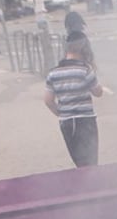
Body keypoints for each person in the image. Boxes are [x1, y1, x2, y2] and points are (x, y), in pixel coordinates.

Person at [44, 32, 104, 167]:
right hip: (85, 121)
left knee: (79, 163)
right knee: (91, 162)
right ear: (84, 49)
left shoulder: (53, 73)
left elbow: (48, 100)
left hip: (66, 124)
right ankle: (93, 186)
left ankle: (84, 185)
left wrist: (63, 113)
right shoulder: (84, 70)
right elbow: (98, 92)